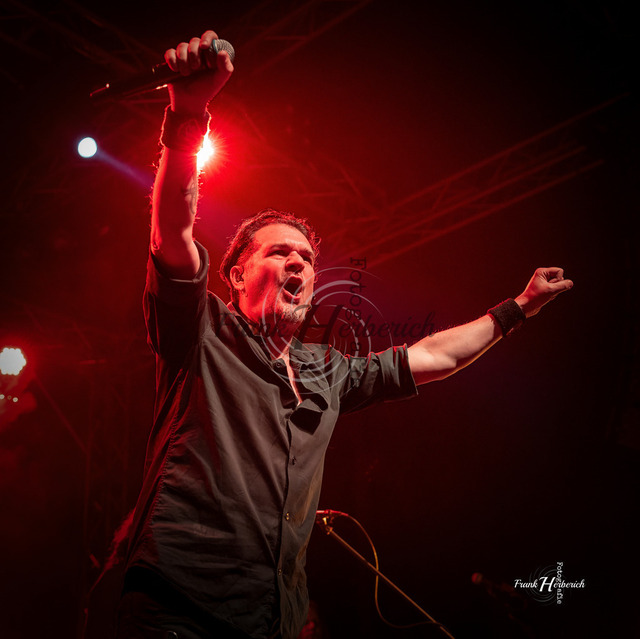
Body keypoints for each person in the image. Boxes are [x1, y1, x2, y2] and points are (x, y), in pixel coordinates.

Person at [116, 29, 573, 639]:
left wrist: (519, 307)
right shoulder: (202, 330)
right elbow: (173, 229)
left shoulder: (327, 370)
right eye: (279, 253)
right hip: (179, 610)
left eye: (307, 257)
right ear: (236, 275)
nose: (299, 263)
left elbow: (431, 355)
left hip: (270, 621)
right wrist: (188, 112)